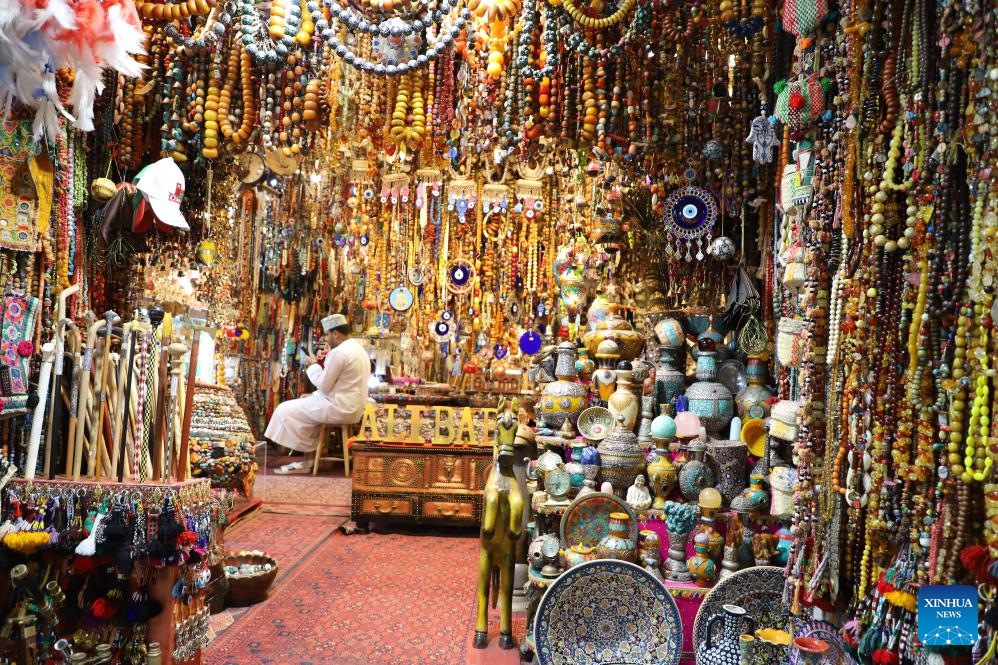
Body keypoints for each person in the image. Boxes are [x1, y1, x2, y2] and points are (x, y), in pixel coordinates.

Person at [266, 313, 371, 474]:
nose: (326, 338)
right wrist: (315, 396)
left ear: (336, 334)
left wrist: (313, 364)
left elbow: (324, 385)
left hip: (338, 407)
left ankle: (310, 458)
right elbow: (342, 385)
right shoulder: (358, 349)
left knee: (285, 409)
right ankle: (310, 459)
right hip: (352, 407)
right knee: (304, 407)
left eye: (328, 334)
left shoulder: (339, 353)